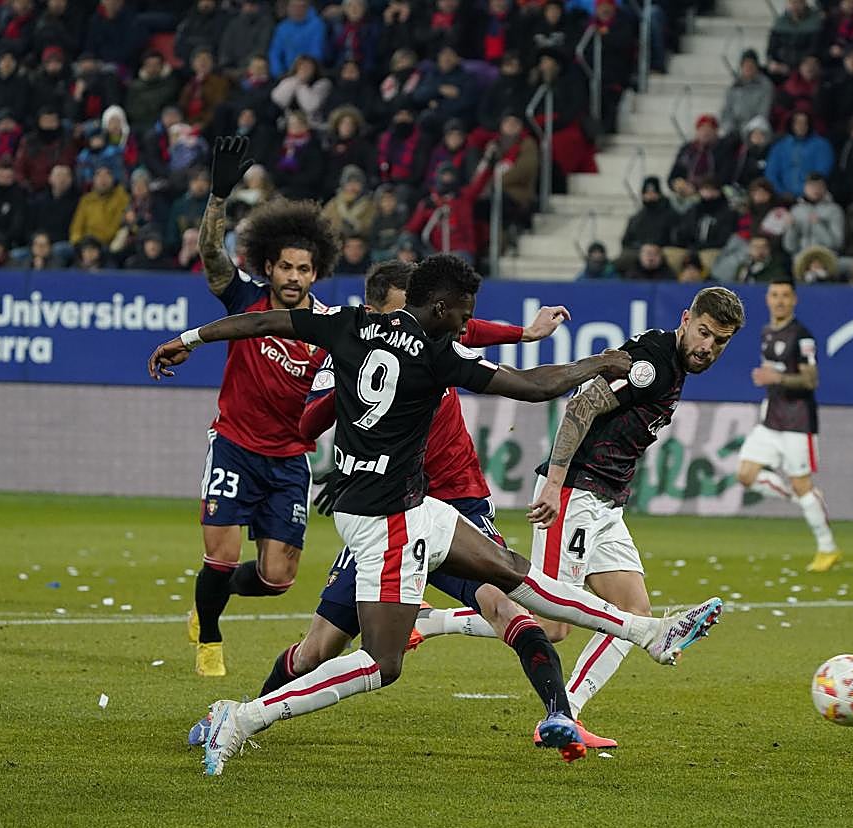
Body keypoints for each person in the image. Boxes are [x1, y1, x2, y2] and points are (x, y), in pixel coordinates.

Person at [151, 248, 728, 775]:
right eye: (464, 314)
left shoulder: (353, 323)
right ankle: (242, 719)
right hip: (387, 522)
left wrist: (192, 338)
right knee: (381, 663)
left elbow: (259, 322)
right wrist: (598, 365)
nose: (466, 324)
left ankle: (649, 632)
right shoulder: (436, 355)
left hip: (407, 504)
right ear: (442, 307)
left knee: (510, 570)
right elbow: (530, 386)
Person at [217, 262, 607, 760]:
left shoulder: (438, 346)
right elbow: (305, 425)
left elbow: (474, 333)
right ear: (380, 313)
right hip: (385, 510)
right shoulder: (351, 349)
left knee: (507, 604)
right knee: (319, 648)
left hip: (455, 499)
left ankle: (559, 715)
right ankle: (246, 714)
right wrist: (349, 394)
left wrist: (525, 333)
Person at [417, 285, 743, 742]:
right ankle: (429, 623)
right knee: (549, 624)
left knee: (634, 609)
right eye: (704, 333)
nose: (708, 347)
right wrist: (554, 482)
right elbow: (582, 405)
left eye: (720, 341)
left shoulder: (671, 360)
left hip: (606, 502)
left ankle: (567, 713)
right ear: (686, 319)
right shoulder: (653, 363)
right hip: (574, 493)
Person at [180, 136, 342, 678]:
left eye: (304, 270)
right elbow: (209, 253)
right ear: (268, 267)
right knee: (220, 556)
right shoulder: (244, 299)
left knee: (277, 578)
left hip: (288, 461)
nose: (294, 277)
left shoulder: (329, 326)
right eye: (286, 268)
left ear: (315, 274)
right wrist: (218, 195)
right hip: (233, 445)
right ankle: (208, 632)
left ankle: (209, 600)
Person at [735, 277, 840, 572]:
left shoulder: (802, 336)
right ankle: (803, 499)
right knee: (746, 474)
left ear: (794, 300)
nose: (780, 300)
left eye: (785, 296)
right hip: (771, 420)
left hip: (798, 421)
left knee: (802, 484)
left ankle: (827, 548)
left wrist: (776, 378)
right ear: (767, 299)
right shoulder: (767, 332)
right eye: (774, 294)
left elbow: (811, 380)